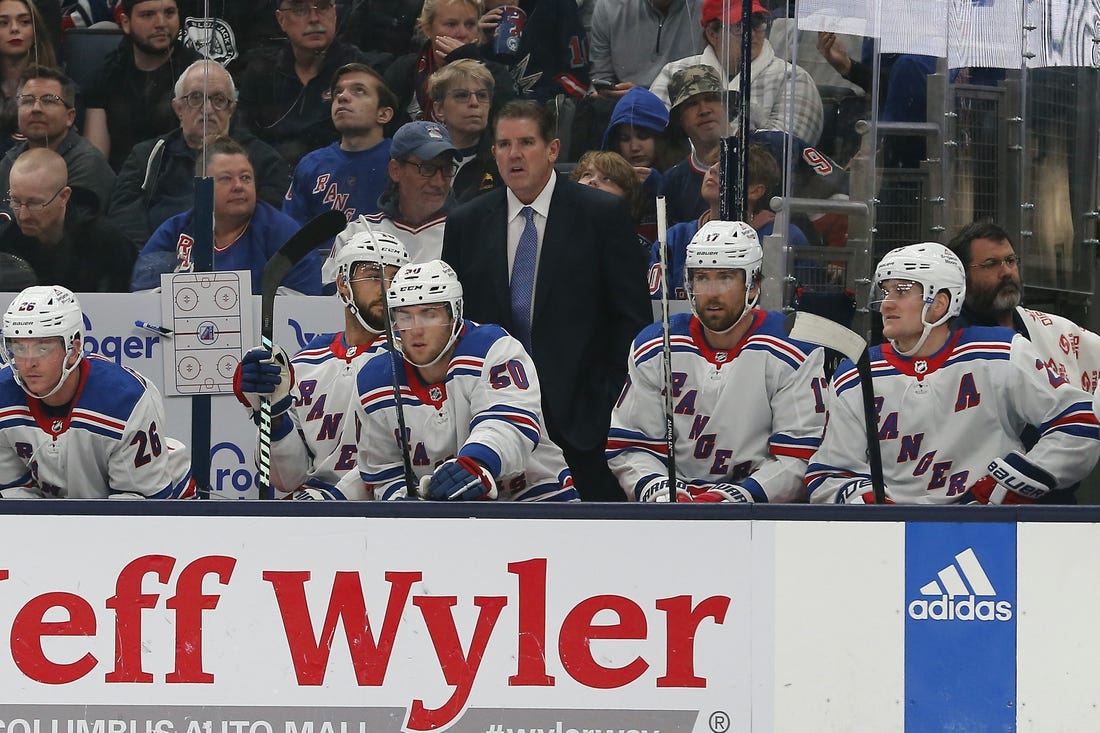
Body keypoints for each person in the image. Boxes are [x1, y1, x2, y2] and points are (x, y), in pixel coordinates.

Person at [443, 100, 651, 501]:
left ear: (553, 150)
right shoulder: (466, 223)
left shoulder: (601, 214)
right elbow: (459, 325)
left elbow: (630, 321)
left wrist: (607, 404)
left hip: (586, 424)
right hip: (494, 420)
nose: (514, 154)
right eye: (503, 144)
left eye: (526, 142)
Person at [806, 242, 1100, 505]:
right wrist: (869, 505)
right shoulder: (855, 376)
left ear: (941, 303)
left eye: (903, 291)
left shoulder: (1001, 353)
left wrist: (1013, 483)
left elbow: (1079, 424)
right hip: (889, 541)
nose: (887, 303)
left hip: (989, 529)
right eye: (885, 291)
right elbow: (830, 472)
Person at [608, 220, 825, 502]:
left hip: (757, 520)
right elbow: (632, 446)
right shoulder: (655, 345)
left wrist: (737, 497)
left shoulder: (793, 349)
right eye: (701, 277)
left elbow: (798, 458)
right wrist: (658, 489)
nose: (711, 292)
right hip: (670, 512)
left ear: (753, 284)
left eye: (725, 277)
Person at [351, 259, 579, 502]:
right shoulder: (376, 379)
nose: (416, 330)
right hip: (443, 518)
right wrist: (404, 502)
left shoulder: (493, 349)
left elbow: (509, 424)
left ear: (455, 313)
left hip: (533, 500)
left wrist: (477, 462)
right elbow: (384, 472)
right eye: (405, 317)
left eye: (429, 314)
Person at [234, 229, 411, 499]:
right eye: (374, 275)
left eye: (395, 278)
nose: (387, 287)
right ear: (342, 283)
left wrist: (334, 498)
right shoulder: (305, 363)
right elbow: (287, 479)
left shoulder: (415, 358)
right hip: (320, 515)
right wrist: (275, 414)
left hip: (389, 509)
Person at [947, 220, 1100, 504]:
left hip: (1053, 504)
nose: (1006, 272)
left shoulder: (1053, 330)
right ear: (962, 277)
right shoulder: (947, 341)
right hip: (969, 507)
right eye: (991, 264)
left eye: (1010, 261)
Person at [0, 285, 195, 499]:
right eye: (19, 348)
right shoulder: (4, 394)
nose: (28, 363)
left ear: (73, 350)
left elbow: (140, 505)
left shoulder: (125, 399)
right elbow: (14, 496)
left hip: (164, 510)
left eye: (42, 348)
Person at [108, 59, 291, 249]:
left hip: (238, 266)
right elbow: (124, 221)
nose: (207, 109)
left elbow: (272, 223)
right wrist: (154, 261)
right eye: (195, 98)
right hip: (161, 266)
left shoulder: (262, 159)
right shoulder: (147, 156)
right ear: (178, 108)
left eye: (219, 99)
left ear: (231, 109)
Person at [131, 134, 320, 295]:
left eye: (246, 177)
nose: (238, 186)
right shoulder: (174, 231)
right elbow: (143, 293)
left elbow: (303, 302)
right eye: (226, 179)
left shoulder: (283, 233)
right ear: (201, 187)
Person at [650, 0, 822, 146]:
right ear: (712, 34)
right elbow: (653, 141)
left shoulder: (793, 79)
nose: (752, 34)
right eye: (740, 26)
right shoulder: (674, 72)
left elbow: (779, 153)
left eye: (757, 23)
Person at [653, 147, 811, 299]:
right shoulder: (674, 238)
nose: (713, 170)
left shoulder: (783, 237)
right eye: (711, 165)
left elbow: (803, 305)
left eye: (727, 168)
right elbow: (656, 306)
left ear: (755, 191)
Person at [236, 0, 367, 167]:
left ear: (335, 13)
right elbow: (243, 136)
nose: (314, 18)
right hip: (272, 177)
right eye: (300, 10)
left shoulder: (357, 70)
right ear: (281, 19)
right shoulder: (261, 72)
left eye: (323, 7)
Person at [82, 0, 202, 171]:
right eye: (148, 15)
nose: (161, 23)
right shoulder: (107, 74)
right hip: (120, 185)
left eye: (169, 13)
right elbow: (96, 161)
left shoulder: (198, 74)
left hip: (180, 183)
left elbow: (206, 152)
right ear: (126, 23)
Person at [329, 120, 458, 278]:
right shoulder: (359, 233)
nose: (439, 182)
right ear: (395, 170)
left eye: (446, 169)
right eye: (427, 169)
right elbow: (331, 296)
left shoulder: (468, 232)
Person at [0, 148, 134, 291]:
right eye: (16, 201)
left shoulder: (106, 243)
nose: (23, 215)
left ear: (64, 196)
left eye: (35, 204)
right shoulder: (7, 240)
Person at [283, 62, 396, 226]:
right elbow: (288, 234)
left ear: (383, 114)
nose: (342, 97)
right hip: (320, 252)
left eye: (359, 90)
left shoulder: (402, 161)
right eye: (337, 92)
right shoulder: (311, 164)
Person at [0, 65, 116, 215]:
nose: (36, 108)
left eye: (48, 101)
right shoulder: (10, 161)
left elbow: (66, 231)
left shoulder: (87, 163)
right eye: (27, 101)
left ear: (70, 117)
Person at [383, 0, 515, 131]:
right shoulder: (405, 68)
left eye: (470, 24)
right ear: (428, 29)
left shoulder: (494, 73)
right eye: (451, 24)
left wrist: (471, 63)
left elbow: (508, 122)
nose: (462, 33)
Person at [600, 85, 682, 241]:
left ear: (660, 138)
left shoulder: (684, 177)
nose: (634, 147)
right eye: (625, 139)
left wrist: (661, 187)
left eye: (643, 136)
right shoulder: (602, 185)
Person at [476, 0, 591, 103]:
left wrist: (531, 102)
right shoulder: (470, 16)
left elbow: (578, 82)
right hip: (491, 118)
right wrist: (478, 46)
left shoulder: (557, 5)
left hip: (547, 116)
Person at [588, 0, 704, 95]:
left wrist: (649, 97)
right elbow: (601, 77)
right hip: (627, 107)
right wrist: (606, 93)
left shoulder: (707, 7)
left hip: (689, 101)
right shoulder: (609, 6)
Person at [659, 64, 727, 226]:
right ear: (679, 120)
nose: (704, 110)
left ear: (727, 106)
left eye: (711, 98)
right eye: (691, 104)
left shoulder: (764, 150)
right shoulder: (672, 183)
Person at [428, 58, 502, 204]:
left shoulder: (503, 159)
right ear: (439, 109)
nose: (474, 103)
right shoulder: (421, 159)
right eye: (461, 95)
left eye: (482, 96)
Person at [0, 0, 56, 156]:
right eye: (3, 23)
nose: (15, 29)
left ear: (35, 31)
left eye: (24, 22)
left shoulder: (59, 91)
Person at [570, 150, 649, 252]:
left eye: (607, 179)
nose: (593, 180)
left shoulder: (632, 252)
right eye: (587, 174)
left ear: (627, 196)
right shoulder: (553, 233)